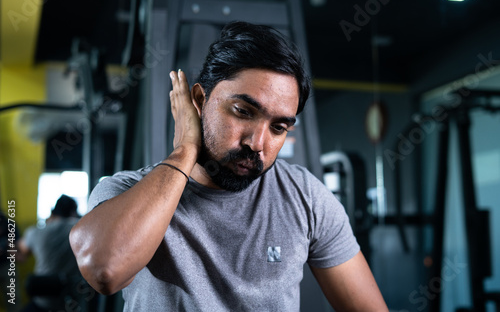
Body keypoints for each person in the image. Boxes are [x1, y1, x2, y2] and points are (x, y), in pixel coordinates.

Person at [69, 21, 388, 311]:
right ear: (199, 101)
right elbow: (104, 272)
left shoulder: (306, 197)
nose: (257, 142)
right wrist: (184, 152)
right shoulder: (125, 191)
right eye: (243, 111)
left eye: (278, 127)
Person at [18, 195, 82, 312]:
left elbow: (21, 253)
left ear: (53, 212)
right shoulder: (81, 230)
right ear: (74, 213)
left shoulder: (36, 232)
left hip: (43, 300)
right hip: (74, 301)